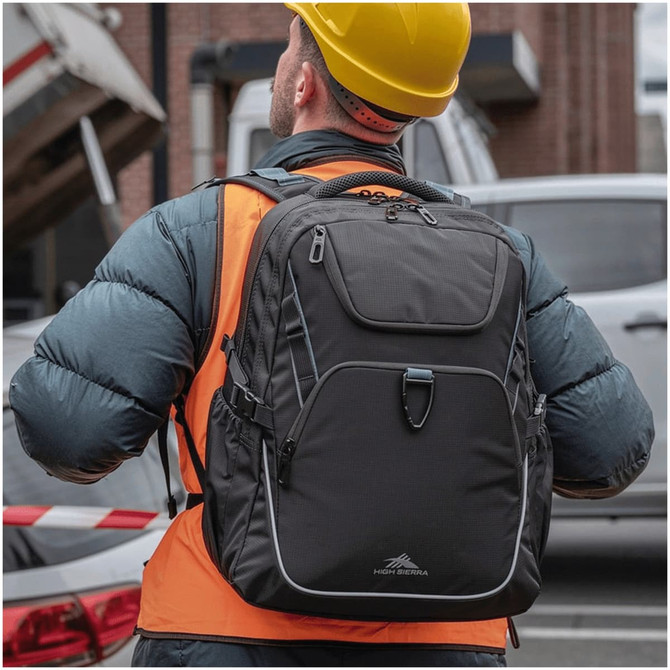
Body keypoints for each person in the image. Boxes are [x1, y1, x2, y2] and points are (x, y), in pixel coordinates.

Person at [10, 3, 653, 667]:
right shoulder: (503, 253)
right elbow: (609, 449)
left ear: (304, 82)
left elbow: (69, 431)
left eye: (292, 43)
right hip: (447, 643)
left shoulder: (203, 229)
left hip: (229, 633)